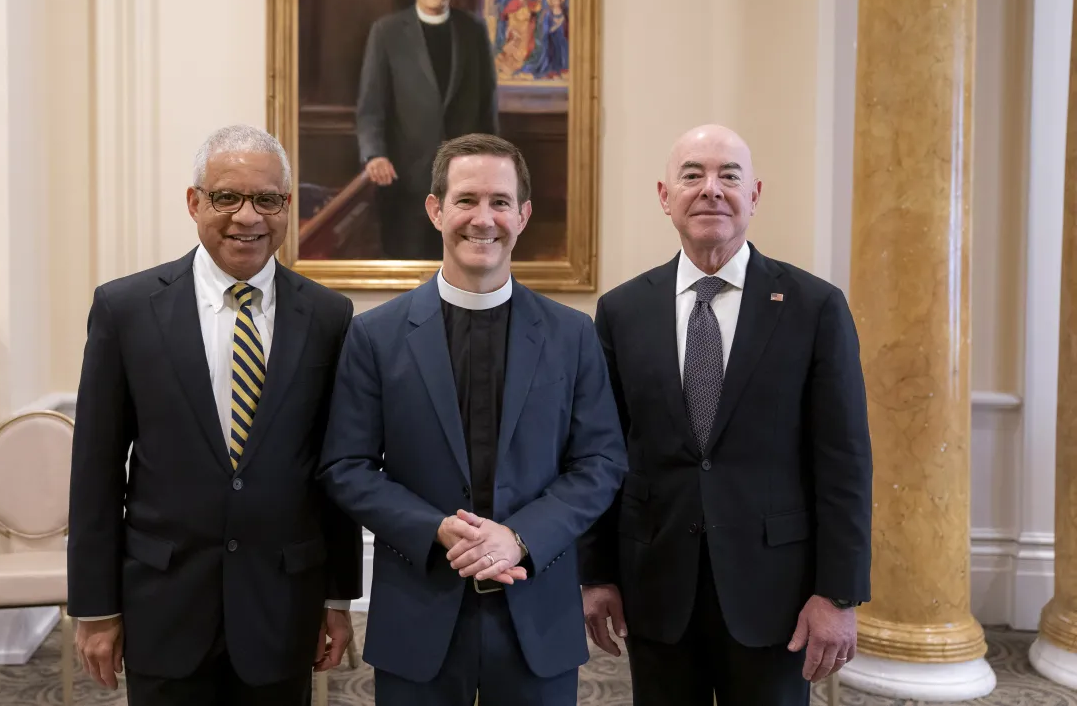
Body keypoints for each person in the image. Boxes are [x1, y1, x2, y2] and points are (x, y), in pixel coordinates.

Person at [318, 133, 628, 705]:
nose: (482, 219)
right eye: (466, 200)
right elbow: (346, 466)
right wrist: (435, 529)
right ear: (436, 209)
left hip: (535, 611)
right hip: (419, 608)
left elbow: (601, 463)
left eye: (500, 202)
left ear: (523, 215)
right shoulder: (375, 335)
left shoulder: (572, 335)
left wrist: (519, 538)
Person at [66, 125, 362, 705]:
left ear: (286, 207)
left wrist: (337, 596)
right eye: (227, 197)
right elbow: (96, 470)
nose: (247, 217)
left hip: (281, 606)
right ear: (194, 201)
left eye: (267, 200)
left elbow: (336, 469)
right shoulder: (125, 310)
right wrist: (96, 607)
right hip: (164, 603)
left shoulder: (328, 317)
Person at [580, 124, 873, 706]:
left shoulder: (815, 307)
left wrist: (837, 595)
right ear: (665, 196)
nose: (711, 189)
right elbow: (602, 454)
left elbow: (843, 460)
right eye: (692, 175)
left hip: (776, 594)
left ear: (755, 195)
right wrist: (596, 573)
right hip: (657, 585)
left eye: (728, 176)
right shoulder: (622, 310)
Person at [356, 0, 499, 260]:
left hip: (467, 179)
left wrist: (491, 161)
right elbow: (371, 106)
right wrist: (374, 154)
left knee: (464, 265)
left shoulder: (473, 30)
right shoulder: (387, 32)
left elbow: (487, 107)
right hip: (405, 180)